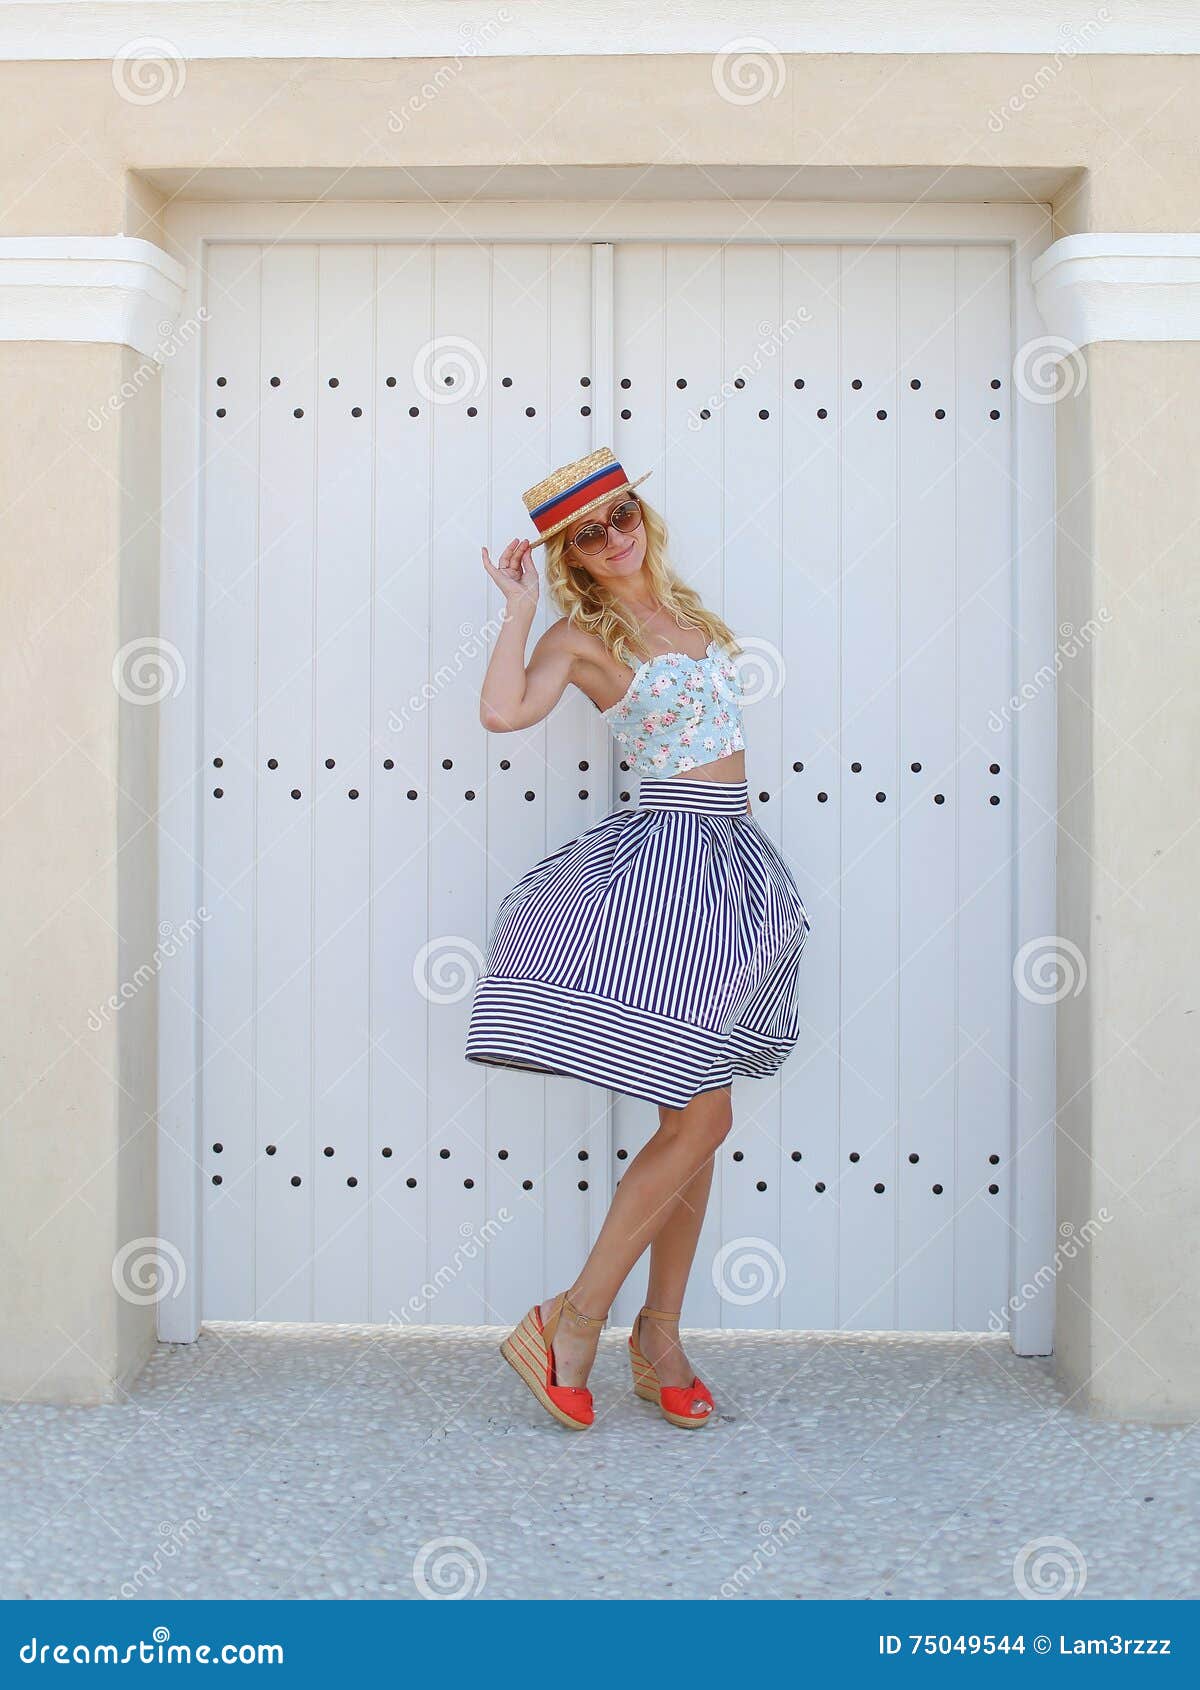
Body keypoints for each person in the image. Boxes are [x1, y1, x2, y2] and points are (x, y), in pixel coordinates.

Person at [464, 446, 811, 1431]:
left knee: (696, 1120)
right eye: (591, 530)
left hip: (735, 862)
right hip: (666, 872)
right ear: (571, 554)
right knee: (702, 1119)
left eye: (622, 515)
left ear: (640, 517)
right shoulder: (583, 634)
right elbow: (501, 711)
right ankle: (575, 1321)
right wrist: (516, 609)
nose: (614, 535)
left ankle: (656, 1340)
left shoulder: (695, 618)